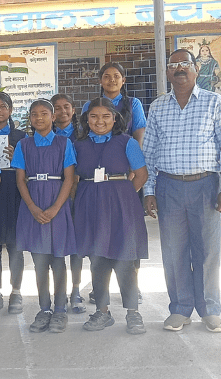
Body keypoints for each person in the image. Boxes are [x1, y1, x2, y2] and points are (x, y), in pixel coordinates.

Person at [142, 49, 221, 333]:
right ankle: (180, 309)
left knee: (207, 251)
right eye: (173, 64)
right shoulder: (157, 107)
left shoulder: (215, 102)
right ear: (167, 72)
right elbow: (149, 152)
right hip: (168, 186)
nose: (179, 68)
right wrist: (149, 190)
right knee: (174, 250)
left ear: (195, 69)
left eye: (185, 64)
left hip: (205, 185)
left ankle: (210, 309)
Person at [74, 98, 148, 335]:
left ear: (115, 118)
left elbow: (141, 175)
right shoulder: (78, 144)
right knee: (97, 260)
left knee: (125, 259)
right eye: (94, 116)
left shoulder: (127, 142)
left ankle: (133, 313)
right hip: (90, 207)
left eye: (106, 116)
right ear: (86, 119)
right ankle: (102, 312)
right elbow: (73, 179)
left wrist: (123, 195)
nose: (100, 121)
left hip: (121, 207)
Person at [13, 99, 77, 334]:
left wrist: (55, 208)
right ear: (29, 118)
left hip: (56, 204)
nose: (39, 118)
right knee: (39, 260)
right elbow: (20, 179)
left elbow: (69, 178)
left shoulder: (64, 143)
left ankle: (60, 310)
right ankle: (44, 309)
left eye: (43, 114)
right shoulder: (24, 145)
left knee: (58, 261)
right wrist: (32, 207)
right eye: (34, 114)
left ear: (52, 117)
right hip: (33, 204)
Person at [0, 92, 27, 315]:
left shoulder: (22, 137)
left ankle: (17, 291)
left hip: (14, 191)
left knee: (15, 245)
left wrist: (17, 159)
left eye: (3, 106)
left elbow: (30, 168)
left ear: (10, 110)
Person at [50, 93, 85, 313]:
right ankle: (59, 291)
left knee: (77, 247)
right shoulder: (45, 135)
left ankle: (76, 290)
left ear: (73, 110)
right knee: (56, 246)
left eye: (67, 107)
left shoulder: (84, 135)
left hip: (79, 195)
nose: (63, 112)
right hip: (53, 197)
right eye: (57, 108)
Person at [82, 63, 147, 145]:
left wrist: (137, 151)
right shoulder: (89, 106)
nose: (112, 80)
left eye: (116, 76)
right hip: (95, 152)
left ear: (123, 80)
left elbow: (139, 132)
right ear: (100, 81)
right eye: (106, 77)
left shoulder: (134, 103)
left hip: (125, 152)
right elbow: (83, 133)